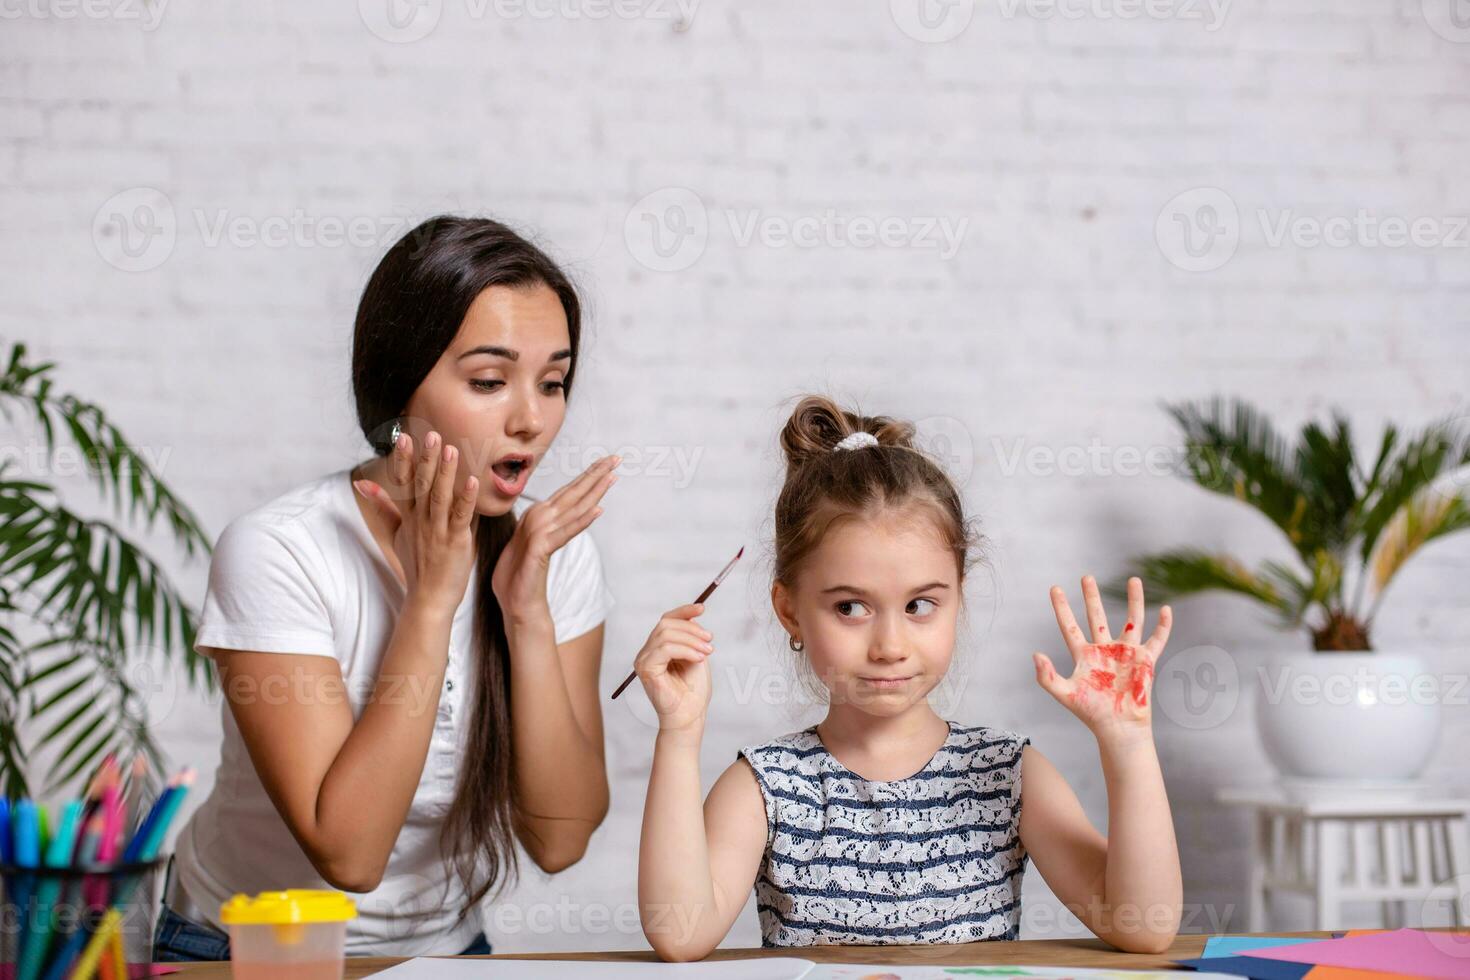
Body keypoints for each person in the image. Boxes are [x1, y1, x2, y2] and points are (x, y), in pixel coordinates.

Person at [157, 216, 619, 959]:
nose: (532, 420)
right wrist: (432, 601)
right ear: (400, 388)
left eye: (554, 382)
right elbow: (351, 855)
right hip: (244, 949)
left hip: (446, 951)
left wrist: (525, 613)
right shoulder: (280, 551)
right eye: (489, 381)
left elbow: (560, 840)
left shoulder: (551, 555)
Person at [633, 395, 1182, 959]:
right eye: (850, 608)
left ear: (958, 599)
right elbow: (680, 934)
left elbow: (1144, 926)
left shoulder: (1009, 776)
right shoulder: (766, 788)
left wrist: (1128, 742)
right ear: (790, 609)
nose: (890, 647)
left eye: (920, 606)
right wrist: (679, 733)